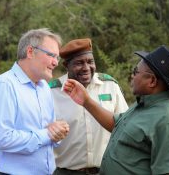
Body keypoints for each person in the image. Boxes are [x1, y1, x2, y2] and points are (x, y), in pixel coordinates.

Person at [63, 45, 169, 175]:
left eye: (136, 71)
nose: (132, 76)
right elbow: (117, 124)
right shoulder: (144, 104)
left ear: (152, 81)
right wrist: (86, 101)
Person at [0, 28, 70, 175]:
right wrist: (47, 134)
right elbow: (2, 138)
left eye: (57, 57)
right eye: (51, 55)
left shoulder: (44, 87)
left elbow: (49, 131)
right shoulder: (5, 85)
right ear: (30, 52)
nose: (56, 62)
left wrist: (58, 132)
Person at [50, 38, 129, 175]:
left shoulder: (110, 86)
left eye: (90, 62)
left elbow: (126, 127)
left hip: (107, 171)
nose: (86, 68)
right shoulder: (52, 92)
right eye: (79, 63)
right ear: (66, 65)